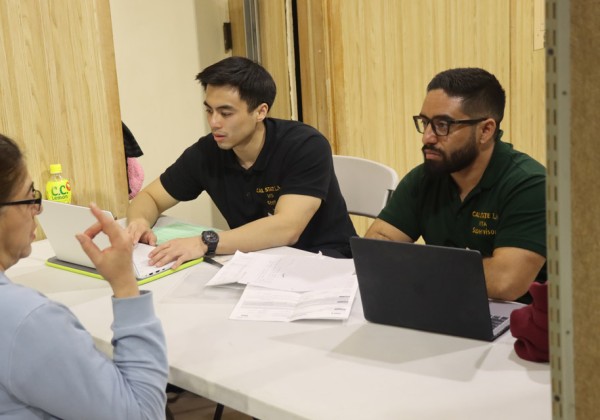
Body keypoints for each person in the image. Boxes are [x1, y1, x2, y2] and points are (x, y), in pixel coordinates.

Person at [127, 56, 356, 266]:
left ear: (260, 112)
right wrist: (138, 222)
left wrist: (204, 242)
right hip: (256, 262)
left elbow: (287, 227)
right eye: (209, 111)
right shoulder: (207, 151)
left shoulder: (304, 145)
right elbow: (150, 197)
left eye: (226, 113)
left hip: (326, 262)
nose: (214, 122)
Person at [0, 134, 168, 418]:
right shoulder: (26, 320)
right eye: (30, 197)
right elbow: (143, 414)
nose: (37, 209)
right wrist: (126, 284)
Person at [366, 68, 546, 303]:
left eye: (443, 125)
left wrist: (414, 267)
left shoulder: (531, 185)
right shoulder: (426, 177)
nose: (427, 137)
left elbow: (504, 282)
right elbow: (374, 250)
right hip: (449, 302)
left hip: (522, 321)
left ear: (485, 130)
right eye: (425, 122)